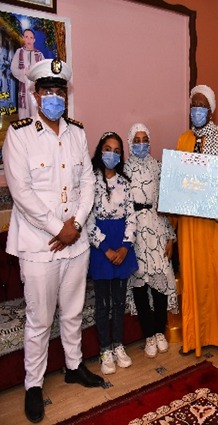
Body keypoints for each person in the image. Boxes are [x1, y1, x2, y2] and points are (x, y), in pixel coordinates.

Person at [2, 58, 103, 423]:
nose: (55, 97)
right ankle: (33, 385)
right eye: (48, 91)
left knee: (73, 311)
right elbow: (22, 192)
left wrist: (74, 225)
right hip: (38, 245)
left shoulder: (77, 133)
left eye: (60, 91)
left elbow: (88, 182)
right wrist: (57, 228)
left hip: (75, 240)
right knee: (40, 320)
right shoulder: (19, 135)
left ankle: (74, 367)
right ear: (35, 94)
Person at [176, 84, 218, 362]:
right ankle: (195, 337)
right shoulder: (183, 140)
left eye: (202, 106)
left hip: (215, 224)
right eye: (194, 105)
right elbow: (177, 180)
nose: (197, 110)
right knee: (193, 278)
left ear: (211, 110)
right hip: (190, 225)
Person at [124, 123, 178, 358]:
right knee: (140, 283)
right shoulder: (124, 170)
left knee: (160, 280)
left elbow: (165, 204)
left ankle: (159, 331)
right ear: (130, 143)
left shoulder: (157, 166)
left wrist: (170, 237)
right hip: (134, 231)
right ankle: (148, 335)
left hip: (157, 228)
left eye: (144, 139)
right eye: (136, 140)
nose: (141, 144)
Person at [87, 132, 138, 375]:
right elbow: (86, 219)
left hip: (122, 247)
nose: (112, 154)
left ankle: (118, 344)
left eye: (117, 151)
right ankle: (104, 350)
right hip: (101, 248)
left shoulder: (125, 183)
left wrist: (125, 247)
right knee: (103, 303)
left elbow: (131, 217)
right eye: (108, 149)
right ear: (100, 151)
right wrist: (105, 248)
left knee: (119, 301)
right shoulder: (90, 181)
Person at [10, 29, 44, 119]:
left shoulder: (39, 54)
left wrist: (37, 76)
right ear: (23, 38)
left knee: (36, 113)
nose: (29, 40)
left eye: (31, 37)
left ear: (34, 40)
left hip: (35, 88)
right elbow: (13, 69)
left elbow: (44, 70)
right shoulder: (19, 52)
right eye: (26, 37)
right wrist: (23, 72)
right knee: (24, 115)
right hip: (24, 89)